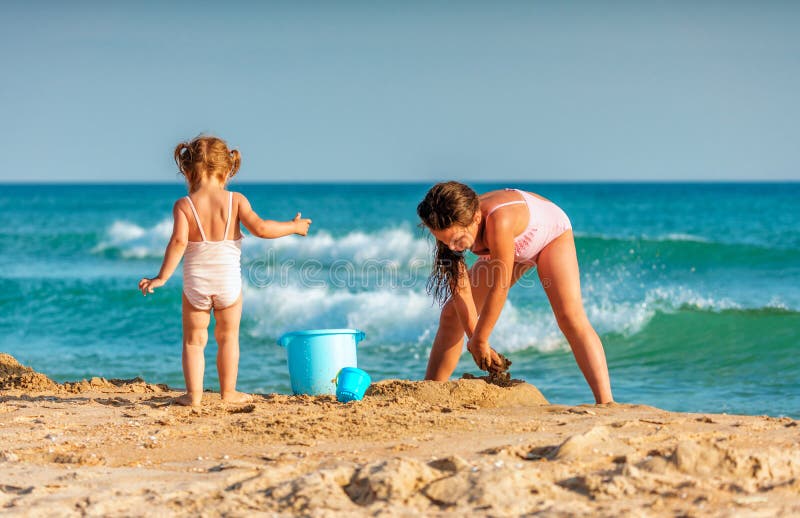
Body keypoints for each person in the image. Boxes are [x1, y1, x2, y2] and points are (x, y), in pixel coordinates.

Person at [138, 135, 312, 406]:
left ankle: (194, 397)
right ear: (228, 169)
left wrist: (161, 277)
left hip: (196, 284)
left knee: (194, 342)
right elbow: (262, 229)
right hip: (228, 284)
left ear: (188, 169)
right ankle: (228, 393)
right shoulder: (236, 201)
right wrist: (293, 226)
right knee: (228, 338)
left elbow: (179, 242)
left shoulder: (184, 205)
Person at [417, 181, 613, 403]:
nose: (452, 247)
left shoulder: (498, 221)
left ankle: (606, 401)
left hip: (550, 237)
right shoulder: (446, 221)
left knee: (570, 317)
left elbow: (498, 287)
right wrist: (475, 340)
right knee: (451, 314)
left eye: (457, 240)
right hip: (512, 247)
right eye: (444, 241)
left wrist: (481, 338)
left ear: (475, 219)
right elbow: (462, 291)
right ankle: (431, 390)